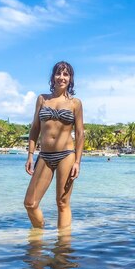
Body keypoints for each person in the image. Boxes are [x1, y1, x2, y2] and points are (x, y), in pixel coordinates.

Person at [24, 61, 84, 230]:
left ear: (70, 79)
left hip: (67, 155)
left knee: (62, 202)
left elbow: (80, 133)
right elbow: (35, 128)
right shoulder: (42, 99)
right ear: (53, 77)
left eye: (66, 74)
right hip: (44, 156)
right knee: (30, 203)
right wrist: (30, 155)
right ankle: (38, 234)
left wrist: (78, 162)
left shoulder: (75, 103)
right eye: (58, 74)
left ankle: (63, 248)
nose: (61, 77)